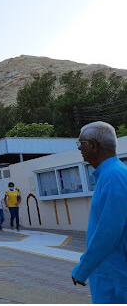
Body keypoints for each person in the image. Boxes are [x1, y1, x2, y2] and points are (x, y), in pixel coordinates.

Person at [71, 122, 127, 303]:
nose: (79, 148)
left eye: (81, 144)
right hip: (111, 270)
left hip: (115, 273)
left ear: (94, 145)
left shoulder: (113, 177)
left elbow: (108, 231)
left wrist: (83, 268)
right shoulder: (111, 174)